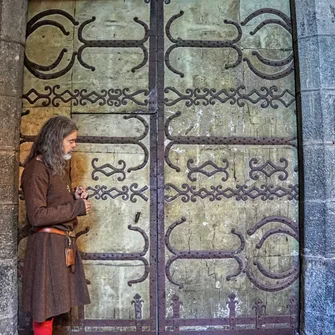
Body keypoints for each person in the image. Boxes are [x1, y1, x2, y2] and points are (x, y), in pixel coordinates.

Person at [21, 116, 91, 335]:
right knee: (45, 309)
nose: (74, 145)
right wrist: (77, 208)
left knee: (51, 308)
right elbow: (37, 216)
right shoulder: (36, 169)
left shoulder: (53, 169)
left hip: (58, 245)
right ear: (55, 139)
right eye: (70, 140)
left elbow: (53, 202)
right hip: (46, 247)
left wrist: (72, 197)